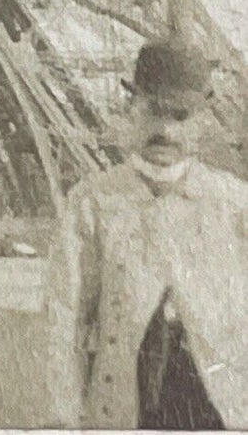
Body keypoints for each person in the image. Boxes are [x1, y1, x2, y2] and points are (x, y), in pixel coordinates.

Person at [46, 40, 248, 429]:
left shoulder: (235, 205)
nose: (165, 130)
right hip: (125, 406)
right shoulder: (93, 204)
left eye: (180, 116)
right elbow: (64, 318)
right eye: (153, 112)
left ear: (202, 122)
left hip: (223, 407)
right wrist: (64, 418)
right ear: (130, 109)